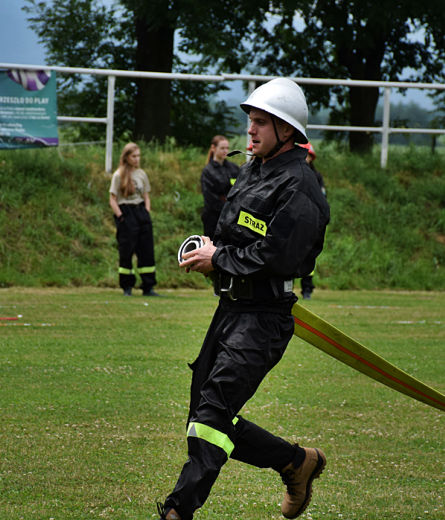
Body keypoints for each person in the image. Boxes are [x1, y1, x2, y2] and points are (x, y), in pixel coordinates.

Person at [159, 78, 330, 520]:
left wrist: (222, 259)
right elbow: (237, 234)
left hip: (264, 316)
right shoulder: (254, 166)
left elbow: (281, 256)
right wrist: (210, 248)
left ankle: (178, 510)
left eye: (259, 123)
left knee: (212, 412)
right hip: (231, 309)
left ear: (287, 130)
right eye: (249, 122)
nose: (249, 131)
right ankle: (296, 462)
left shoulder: (301, 187)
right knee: (205, 415)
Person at [109, 142, 159, 297]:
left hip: (141, 212)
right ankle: (127, 286)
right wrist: (121, 217)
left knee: (146, 250)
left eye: (139, 156)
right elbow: (112, 199)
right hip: (126, 212)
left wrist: (146, 212)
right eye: (134, 156)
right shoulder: (118, 175)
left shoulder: (141, 174)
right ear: (126, 157)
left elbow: (146, 196)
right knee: (126, 250)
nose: (137, 159)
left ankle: (148, 286)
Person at [297, 142, 328, 300]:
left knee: (309, 256)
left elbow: (322, 200)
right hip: (295, 222)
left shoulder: (316, 176)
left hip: (311, 223)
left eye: (308, 155)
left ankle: (307, 288)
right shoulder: (292, 173)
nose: (306, 158)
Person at [200, 135, 240, 239]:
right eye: (222, 148)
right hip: (214, 218)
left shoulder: (234, 168)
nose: (225, 151)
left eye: (227, 148)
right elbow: (210, 199)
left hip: (233, 217)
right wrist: (228, 210)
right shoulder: (208, 171)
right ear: (213, 148)